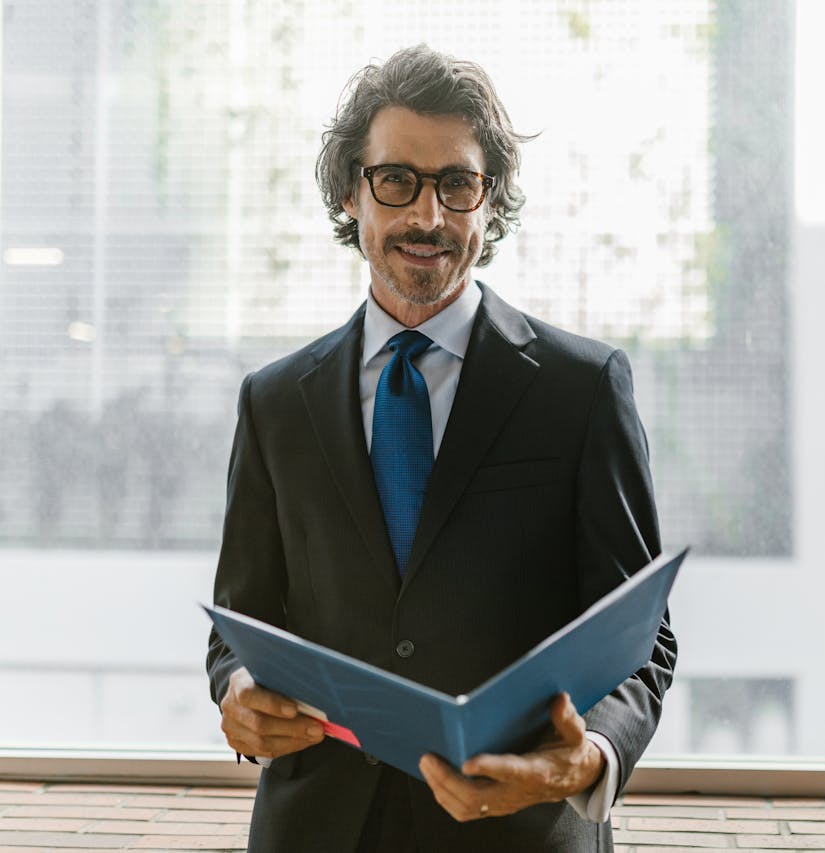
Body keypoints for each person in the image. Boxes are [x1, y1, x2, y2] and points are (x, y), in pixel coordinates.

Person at [205, 43, 676, 853]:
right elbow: (240, 623)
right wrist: (239, 691)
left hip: (521, 829)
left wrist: (587, 758)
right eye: (397, 180)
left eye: (456, 184)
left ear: (489, 203)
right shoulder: (275, 401)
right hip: (318, 829)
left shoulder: (583, 388)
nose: (427, 217)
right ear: (353, 193)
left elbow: (641, 638)